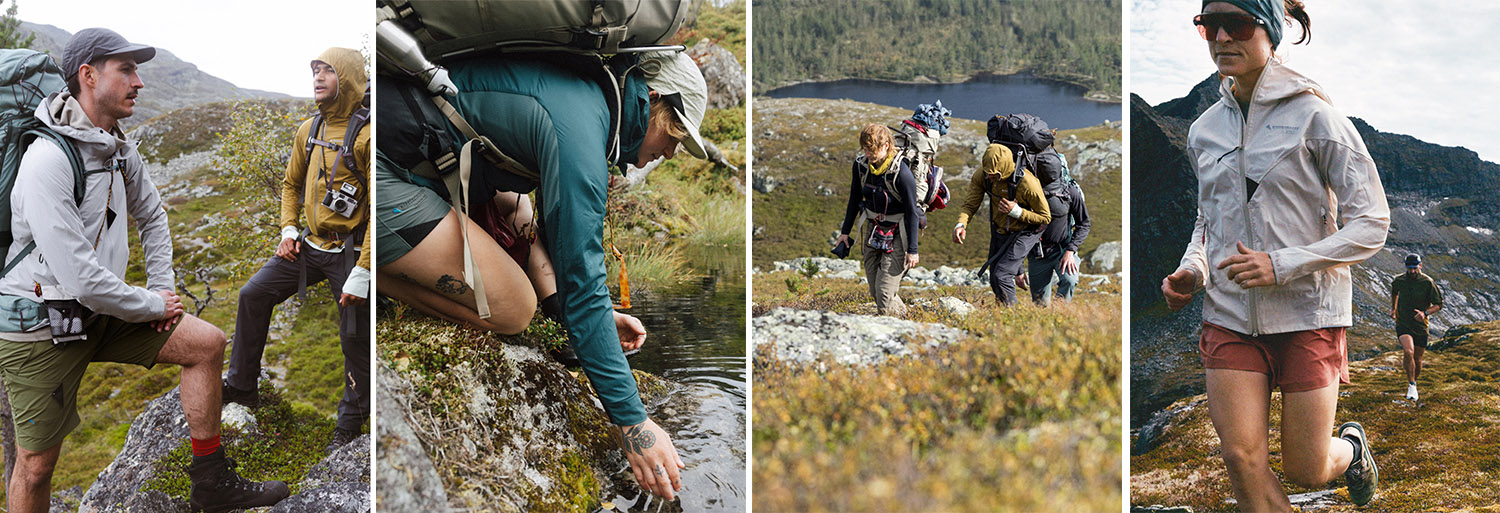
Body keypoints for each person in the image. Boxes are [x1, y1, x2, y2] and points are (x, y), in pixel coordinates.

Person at [375, 49, 710, 501]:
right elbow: (583, 278)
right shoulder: (580, 133)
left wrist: (589, 317)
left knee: (521, 209)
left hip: (424, 154)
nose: (670, 151)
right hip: (378, 172)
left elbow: (564, 243)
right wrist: (635, 423)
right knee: (514, 308)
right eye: (674, 135)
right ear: (652, 100)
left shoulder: (587, 101)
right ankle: (374, 267)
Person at [0, 29, 288, 512]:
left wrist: (161, 289)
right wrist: (151, 304)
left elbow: (153, 216)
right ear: (88, 76)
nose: (139, 82)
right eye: (126, 70)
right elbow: (80, 280)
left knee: (206, 345)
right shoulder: (46, 161)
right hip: (38, 322)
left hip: (100, 310)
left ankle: (211, 484)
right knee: (35, 466)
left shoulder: (116, 146)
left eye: (138, 70)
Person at [1158, 1, 1390, 509]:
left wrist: (1281, 263)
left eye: (1236, 25)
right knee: (1241, 458)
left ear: (1271, 29)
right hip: (1228, 314)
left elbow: (1372, 222)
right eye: (1208, 26)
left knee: (1307, 469)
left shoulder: (1316, 117)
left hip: (1309, 312)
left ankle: (1350, 449)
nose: (1221, 37)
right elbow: (1208, 219)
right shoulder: (1204, 130)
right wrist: (1192, 269)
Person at [222, 47, 371, 454]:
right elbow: (290, 185)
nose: (318, 77)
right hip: (307, 243)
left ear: (349, 75)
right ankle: (240, 388)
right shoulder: (308, 129)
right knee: (253, 295)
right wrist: (288, 230)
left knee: (354, 338)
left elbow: (380, 211)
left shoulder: (370, 135)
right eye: (315, 71)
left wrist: (365, 269)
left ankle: (350, 426)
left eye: (327, 70)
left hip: (353, 250)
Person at [835, 124, 921, 316]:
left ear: (886, 145)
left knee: (883, 293)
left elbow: (912, 212)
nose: (869, 154)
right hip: (873, 229)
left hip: (898, 232)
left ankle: (894, 333)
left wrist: (913, 250)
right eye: (866, 149)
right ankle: (905, 318)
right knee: (875, 290)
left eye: (873, 149)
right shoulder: (861, 166)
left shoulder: (902, 173)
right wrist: (845, 233)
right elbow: (854, 200)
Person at [953, 143, 1050, 306]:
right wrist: (961, 224)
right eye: (988, 173)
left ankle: (1014, 318)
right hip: (1000, 230)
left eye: (995, 175)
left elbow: (1045, 217)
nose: (990, 177)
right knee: (994, 278)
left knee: (1002, 275)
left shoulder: (1028, 183)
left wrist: (1017, 212)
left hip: (1026, 232)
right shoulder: (982, 176)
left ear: (1004, 168)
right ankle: (1002, 314)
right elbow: (970, 204)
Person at [1026, 159, 1090, 306]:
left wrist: (1070, 251)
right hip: (1037, 253)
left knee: (1070, 280)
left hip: (1063, 248)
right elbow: (1016, 230)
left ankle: (1060, 313)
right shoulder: (1028, 191)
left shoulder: (1070, 191)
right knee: (1039, 302)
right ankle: (1045, 325)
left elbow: (1084, 223)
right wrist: (1017, 268)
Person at [1390, 253, 1441, 401]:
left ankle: (1413, 383)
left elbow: (1439, 304)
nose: (1412, 271)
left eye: (1414, 268)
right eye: (1409, 268)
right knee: (1408, 351)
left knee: (1418, 359)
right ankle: (1412, 385)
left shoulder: (1427, 282)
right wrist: (1393, 309)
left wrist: (1425, 313)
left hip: (1420, 325)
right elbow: (1394, 292)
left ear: (1420, 265)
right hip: (1403, 322)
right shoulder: (1399, 280)